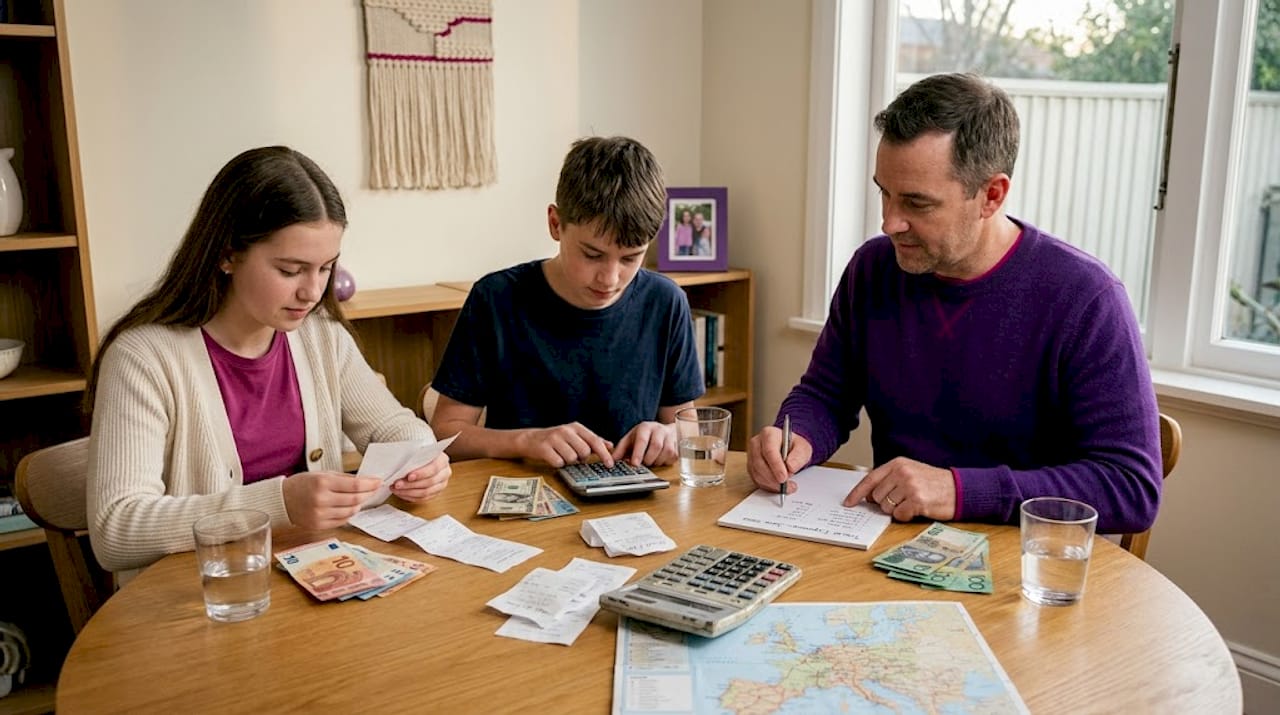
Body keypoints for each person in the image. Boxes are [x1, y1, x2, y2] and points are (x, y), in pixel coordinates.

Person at [747, 73, 1162, 535]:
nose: (889, 222)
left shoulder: (1087, 298)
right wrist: (795, 436)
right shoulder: (872, 270)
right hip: (892, 551)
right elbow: (826, 394)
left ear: (991, 195)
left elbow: (1131, 488)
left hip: (1024, 567)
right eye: (883, 192)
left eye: (917, 204)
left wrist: (959, 490)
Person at [86, 146, 452, 572]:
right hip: (203, 599)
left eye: (325, 268)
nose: (312, 292)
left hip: (316, 574)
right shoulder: (143, 359)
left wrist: (423, 457)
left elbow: (392, 426)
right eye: (290, 270)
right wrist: (279, 504)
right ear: (226, 254)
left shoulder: (323, 338)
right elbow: (115, 531)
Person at [430, 135, 705, 468]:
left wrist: (669, 435)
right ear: (555, 224)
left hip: (632, 500)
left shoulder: (666, 302)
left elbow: (687, 428)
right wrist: (525, 440)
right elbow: (446, 435)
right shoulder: (496, 298)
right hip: (523, 499)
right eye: (592, 254)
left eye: (631, 258)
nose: (611, 278)